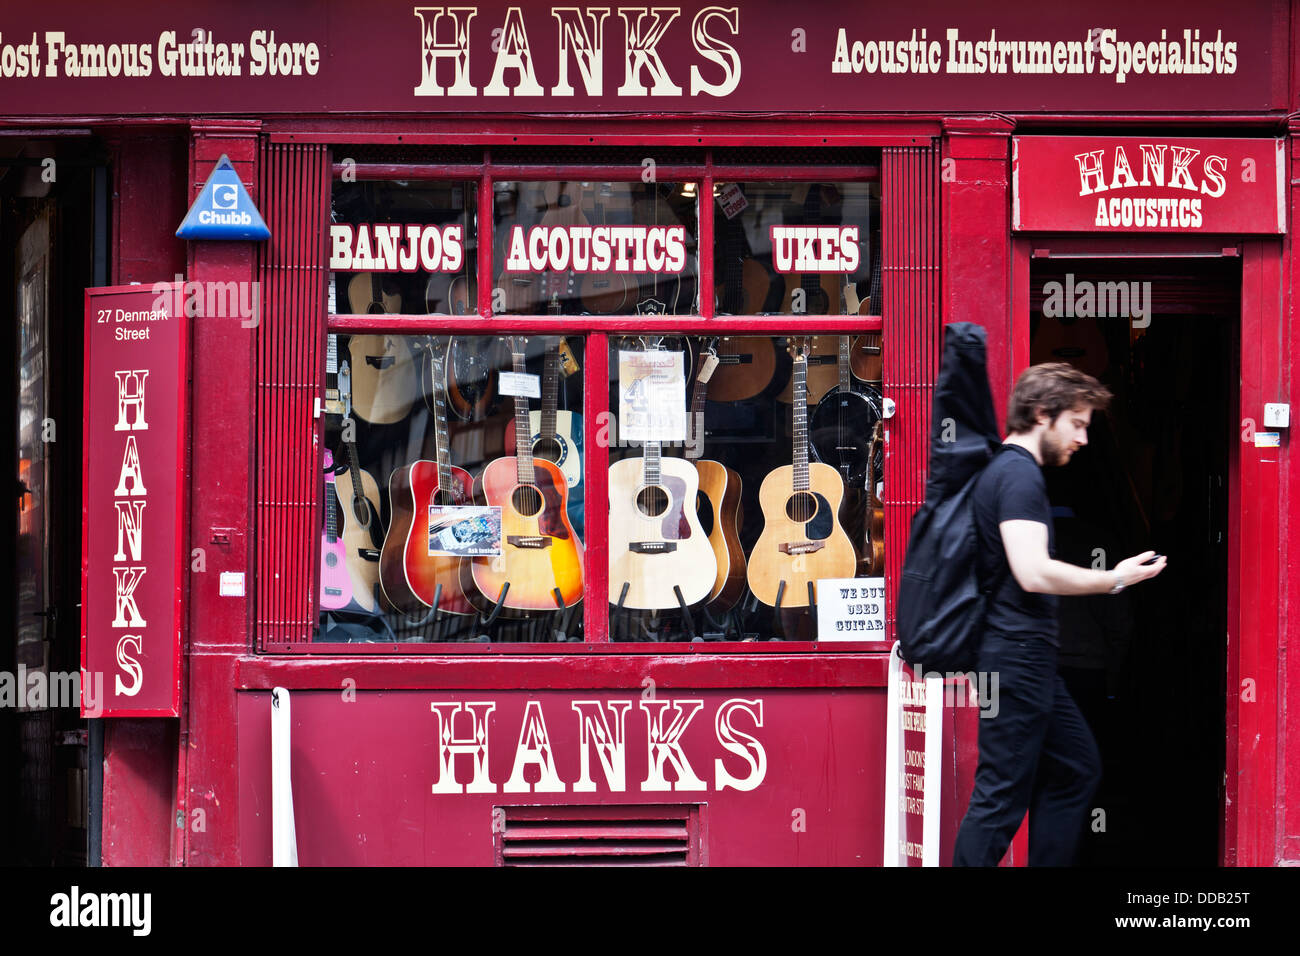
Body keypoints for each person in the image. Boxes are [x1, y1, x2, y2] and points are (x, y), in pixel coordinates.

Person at [952, 363, 1166, 867]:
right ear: (1043, 414)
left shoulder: (1009, 471)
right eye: (1078, 423)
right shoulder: (1018, 475)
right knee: (1000, 798)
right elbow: (1032, 572)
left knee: (1076, 768)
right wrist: (1113, 578)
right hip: (1016, 661)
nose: (1084, 438)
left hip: (1029, 663)